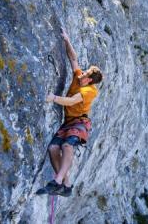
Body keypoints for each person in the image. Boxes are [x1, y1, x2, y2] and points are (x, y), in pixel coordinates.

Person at [36, 30, 103, 197]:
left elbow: (72, 101)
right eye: (85, 72)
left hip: (80, 122)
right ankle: (66, 185)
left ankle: (57, 182)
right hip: (68, 121)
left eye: (86, 75)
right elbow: (73, 58)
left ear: (90, 81)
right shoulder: (79, 77)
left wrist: (53, 98)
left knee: (66, 145)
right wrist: (67, 39)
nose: (82, 75)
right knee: (52, 148)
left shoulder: (89, 91)